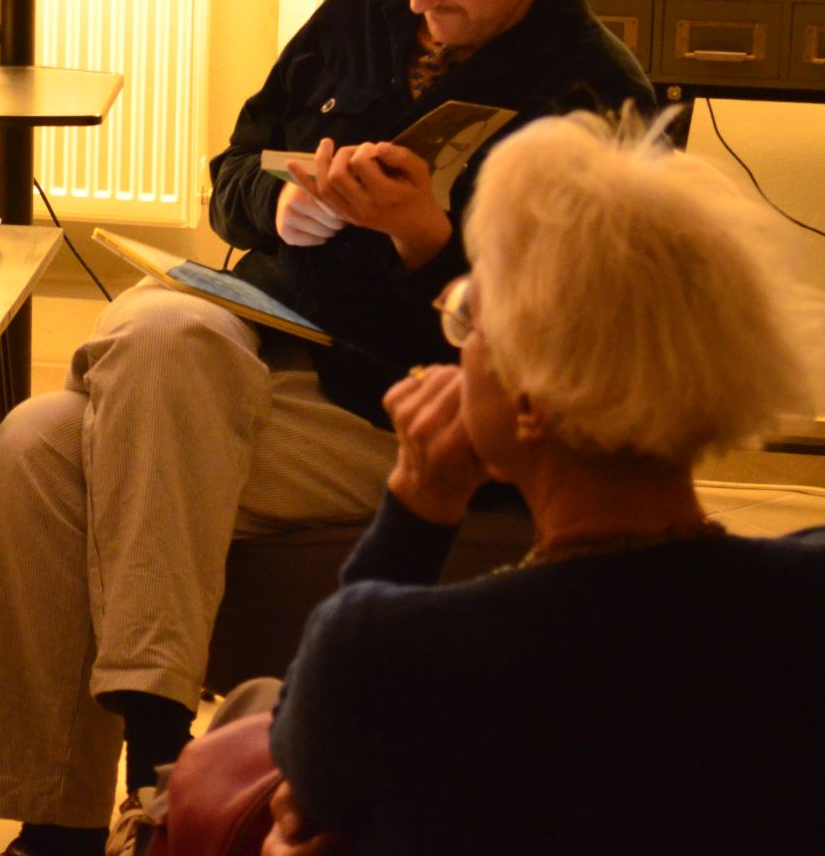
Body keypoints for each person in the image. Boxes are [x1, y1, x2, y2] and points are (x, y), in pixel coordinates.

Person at [0, 0, 654, 856]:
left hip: (405, 407)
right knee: (148, 357)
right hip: (260, 343)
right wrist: (276, 205)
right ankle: (107, 806)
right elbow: (231, 174)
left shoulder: (595, 95)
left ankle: (133, 794)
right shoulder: (358, 12)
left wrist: (430, 243)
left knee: (57, 436)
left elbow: (578, 345)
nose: (416, 1)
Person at [259, 109, 825, 855]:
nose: (457, 347)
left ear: (530, 400)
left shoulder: (388, 651)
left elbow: (304, 763)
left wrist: (416, 507)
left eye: (467, 318)